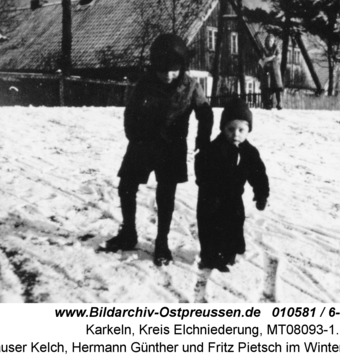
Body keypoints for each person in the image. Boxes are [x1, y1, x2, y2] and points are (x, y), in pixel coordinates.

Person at [105, 33, 213, 266]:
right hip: (143, 143)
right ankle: (128, 233)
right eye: (162, 70)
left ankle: (162, 242)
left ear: (182, 67)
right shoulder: (145, 83)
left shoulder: (191, 86)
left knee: (165, 195)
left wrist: (202, 142)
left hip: (172, 148)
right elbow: (130, 111)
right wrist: (133, 135)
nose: (167, 75)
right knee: (127, 185)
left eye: (173, 69)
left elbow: (206, 113)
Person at [195, 98, 270, 272]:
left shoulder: (249, 152)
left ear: (248, 130)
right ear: (223, 129)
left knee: (234, 223)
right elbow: (200, 165)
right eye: (230, 129)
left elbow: (258, 174)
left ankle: (229, 253)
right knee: (210, 225)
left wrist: (261, 194)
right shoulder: (213, 149)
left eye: (241, 130)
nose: (235, 134)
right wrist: (205, 183)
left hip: (233, 196)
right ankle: (210, 257)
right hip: (211, 195)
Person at [259, 34, 284, 110]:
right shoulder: (263, 49)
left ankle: (279, 103)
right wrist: (272, 57)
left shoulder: (277, 48)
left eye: (270, 41)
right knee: (266, 87)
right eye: (268, 41)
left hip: (275, 71)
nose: (269, 42)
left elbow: (278, 58)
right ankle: (267, 104)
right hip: (267, 71)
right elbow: (262, 59)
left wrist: (269, 59)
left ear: (273, 41)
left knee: (278, 87)